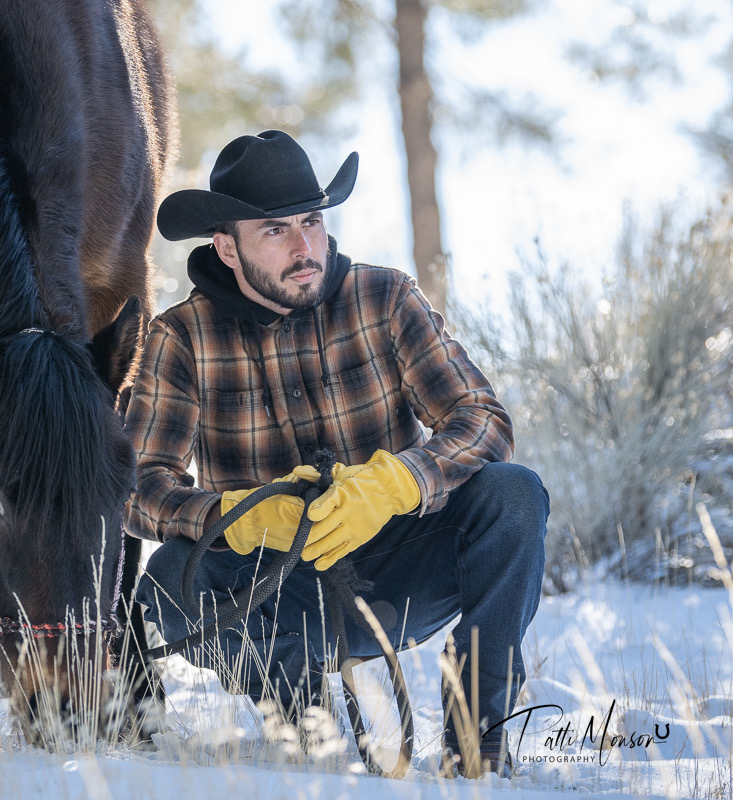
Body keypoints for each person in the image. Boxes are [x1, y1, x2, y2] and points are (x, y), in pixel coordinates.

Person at [123, 130, 548, 779]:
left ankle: (477, 740)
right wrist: (236, 514)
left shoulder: (386, 297)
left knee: (514, 495)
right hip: (274, 590)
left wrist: (396, 483)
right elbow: (136, 489)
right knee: (170, 582)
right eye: (275, 231)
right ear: (226, 246)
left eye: (312, 221)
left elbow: (484, 421)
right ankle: (299, 715)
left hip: (396, 569)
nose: (304, 247)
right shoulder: (182, 337)